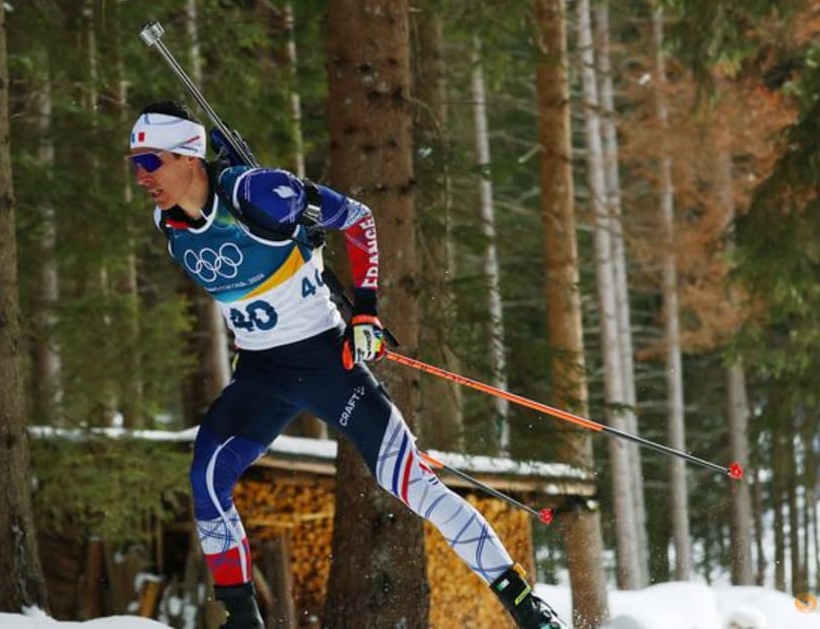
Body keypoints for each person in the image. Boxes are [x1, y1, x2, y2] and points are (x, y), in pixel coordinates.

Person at [128, 101, 568, 629]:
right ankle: (243, 620)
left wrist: (365, 313)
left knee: (411, 482)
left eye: (150, 162)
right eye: (135, 164)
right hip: (260, 376)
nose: (141, 176)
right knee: (207, 478)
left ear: (189, 155)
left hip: (325, 362)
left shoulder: (258, 193)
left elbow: (358, 218)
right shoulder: (167, 222)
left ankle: (526, 605)